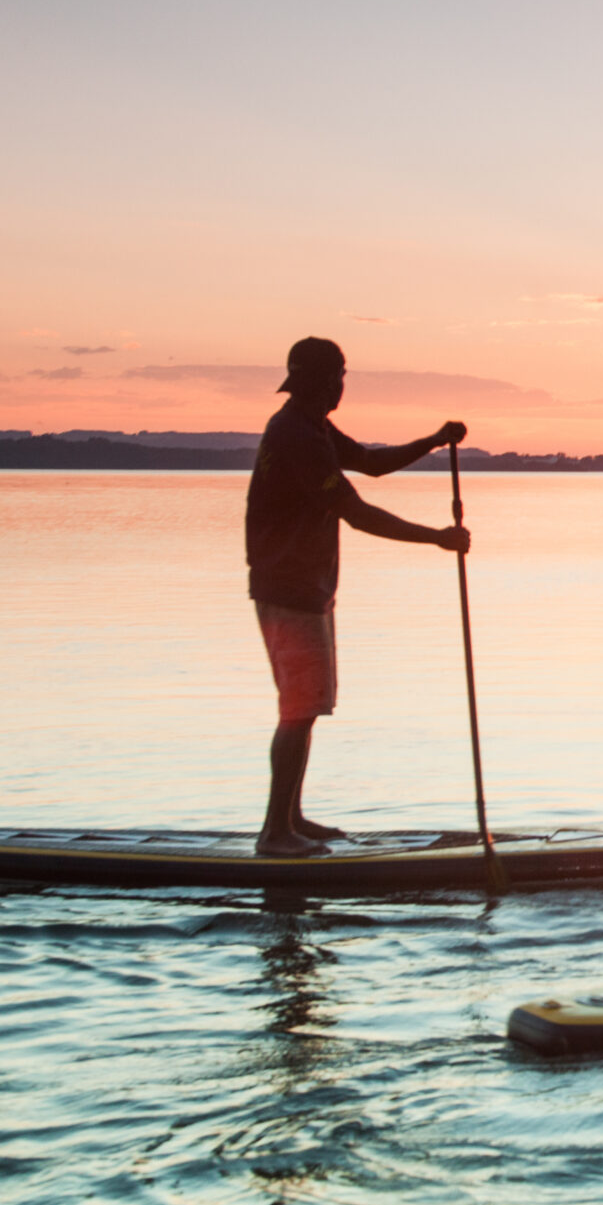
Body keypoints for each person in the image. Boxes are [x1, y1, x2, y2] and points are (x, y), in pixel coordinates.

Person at [246, 336, 470, 857]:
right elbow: (357, 510)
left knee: (306, 706)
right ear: (325, 381)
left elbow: (369, 463)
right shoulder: (295, 433)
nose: (341, 384)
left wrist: (433, 440)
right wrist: (436, 537)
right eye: (339, 375)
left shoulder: (311, 426)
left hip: (308, 587)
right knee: (298, 708)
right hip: (289, 588)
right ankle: (274, 834)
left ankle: (291, 817)